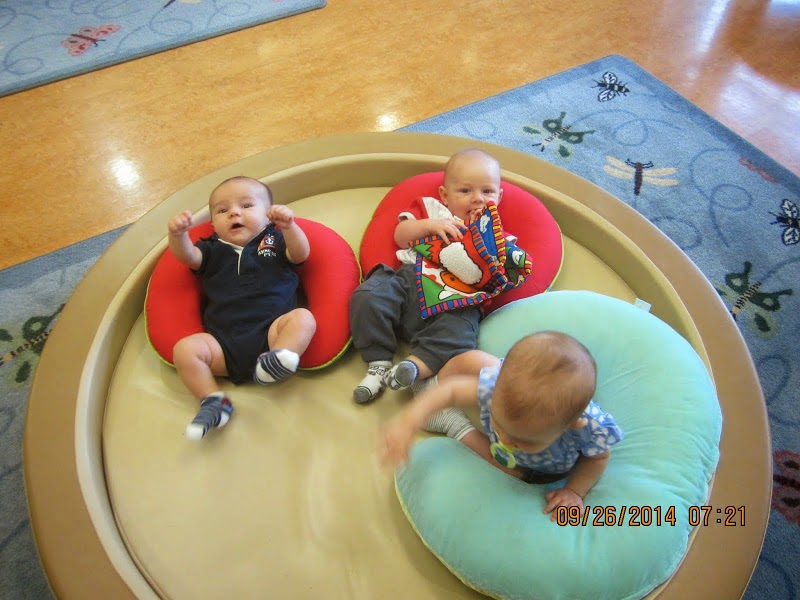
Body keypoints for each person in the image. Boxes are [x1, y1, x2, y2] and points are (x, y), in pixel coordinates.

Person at [381, 332, 624, 519]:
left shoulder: (587, 427)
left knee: (511, 470)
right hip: (498, 386)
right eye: (499, 424)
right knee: (472, 361)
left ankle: (455, 426)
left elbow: (597, 458)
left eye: (523, 440)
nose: (505, 440)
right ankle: (433, 378)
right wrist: (408, 422)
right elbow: (451, 390)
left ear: (570, 425)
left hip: (533, 469)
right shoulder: (497, 389)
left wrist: (574, 491)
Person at [349, 148, 517, 404]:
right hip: (409, 282)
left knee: (461, 335)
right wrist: (429, 226)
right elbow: (400, 235)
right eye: (465, 191)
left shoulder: (498, 237)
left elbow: (501, 278)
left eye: (487, 192)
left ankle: (414, 367)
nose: (477, 199)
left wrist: (491, 248)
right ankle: (378, 363)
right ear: (445, 195)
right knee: (368, 295)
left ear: (499, 196)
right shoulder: (432, 210)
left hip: (457, 302)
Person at [167, 176, 316, 441]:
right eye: (222, 210)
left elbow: (301, 254)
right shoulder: (211, 249)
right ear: (213, 224)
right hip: (223, 346)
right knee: (184, 349)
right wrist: (178, 235)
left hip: (273, 332)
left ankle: (279, 359)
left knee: (303, 319)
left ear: (268, 215)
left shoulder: (274, 239)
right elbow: (187, 257)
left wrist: (289, 226)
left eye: (246, 206)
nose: (234, 213)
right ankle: (213, 400)